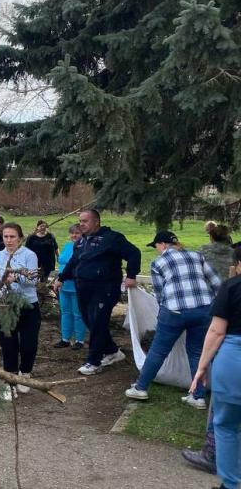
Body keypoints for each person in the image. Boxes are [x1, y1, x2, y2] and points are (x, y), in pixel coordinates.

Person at [125, 232, 219, 408]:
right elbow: (217, 282)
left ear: (162, 244)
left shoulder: (159, 263)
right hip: (203, 310)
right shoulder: (197, 256)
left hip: (174, 312)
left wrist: (163, 312)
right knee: (197, 351)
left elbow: (160, 294)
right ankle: (198, 396)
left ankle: (141, 387)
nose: (156, 250)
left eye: (156, 246)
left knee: (158, 350)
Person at [53, 209, 141, 376]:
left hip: (105, 288)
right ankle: (113, 352)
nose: (81, 224)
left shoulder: (112, 238)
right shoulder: (81, 241)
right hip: (83, 288)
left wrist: (131, 275)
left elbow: (133, 253)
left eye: (85, 221)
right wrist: (61, 278)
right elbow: (74, 261)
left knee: (98, 322)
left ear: (96, 222)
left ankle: (94, 361)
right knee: (90, 322)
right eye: (80, 221)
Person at [190, 245, 241, 489]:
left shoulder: (231, 287)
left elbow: (216, 330)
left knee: (226, 424)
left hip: (233, 361)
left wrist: (201, 367)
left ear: (238, 264)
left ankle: (230, 484)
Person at [0, 223, 41, 400]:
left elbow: (33, 280)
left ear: (20, 238)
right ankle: (9, 380)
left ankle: (25, 374)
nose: (9, 240)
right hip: (6, 306)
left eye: (12, 237)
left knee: (29, 344)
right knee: (8, 344)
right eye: (5, 236)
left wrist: (17, 278)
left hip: (28, 306)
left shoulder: (29, 255)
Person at [54, 224, 86, 349]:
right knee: (65, 312)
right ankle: (65, 338)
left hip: (76, 285)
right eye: (72, 233)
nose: (74, 235)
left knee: (77, 313)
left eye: (77, 233)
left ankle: (79, 340)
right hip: (63, 285)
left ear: (82, 234)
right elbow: (62, 262)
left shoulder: (83, 247)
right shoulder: (67, 246)